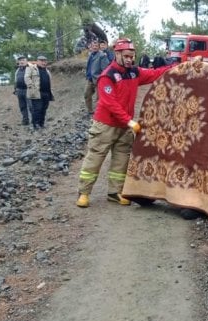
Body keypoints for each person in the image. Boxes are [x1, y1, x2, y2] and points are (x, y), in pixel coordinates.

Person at [75, 38, 176, 208]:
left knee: (121, 160)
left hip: (124, 126)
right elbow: (110, 104)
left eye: (132, 56)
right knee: (95, 158)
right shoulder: (107, 76)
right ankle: (84, 193)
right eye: (126, 56)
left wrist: (175, 67)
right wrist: (129, 122)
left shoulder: (133, 72)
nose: (130, 59)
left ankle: (115, 192)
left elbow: (154, 74)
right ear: (117, 54)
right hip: (105, 126)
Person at [25, 56, 54, 130]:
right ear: (37, 61)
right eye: (41, 61)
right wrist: (31, 86)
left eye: (45, 61)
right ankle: (36, 124)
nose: (43, 62)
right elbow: (26, 78)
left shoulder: (47, 70)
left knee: (44, 109)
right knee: (37, 109)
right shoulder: (31, 68)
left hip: (46, 93)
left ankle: (41, 124)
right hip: (37, 92)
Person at [14, 56, 32, 125]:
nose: (21, 62)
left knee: (31, 106)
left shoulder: (31, 68)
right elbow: (16, 80)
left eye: (23, 60)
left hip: (28, 90)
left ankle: (35, 120)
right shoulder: (18, 70)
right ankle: (25, 120)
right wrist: (15, 89)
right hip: (20, 90)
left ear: (26, 61)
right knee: (22, 106)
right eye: (20, 60)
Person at [83, 41, 99, 117]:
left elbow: (105, 68)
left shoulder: (102, 55)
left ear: (98, 47)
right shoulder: (90, 55)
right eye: (93, 46)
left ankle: (99, 113)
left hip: (98, 80)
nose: (95, 47)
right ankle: (90, 111)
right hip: (90, 79)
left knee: (99, 98)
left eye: (96, 46)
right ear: (91, 47)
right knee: (86, 95)